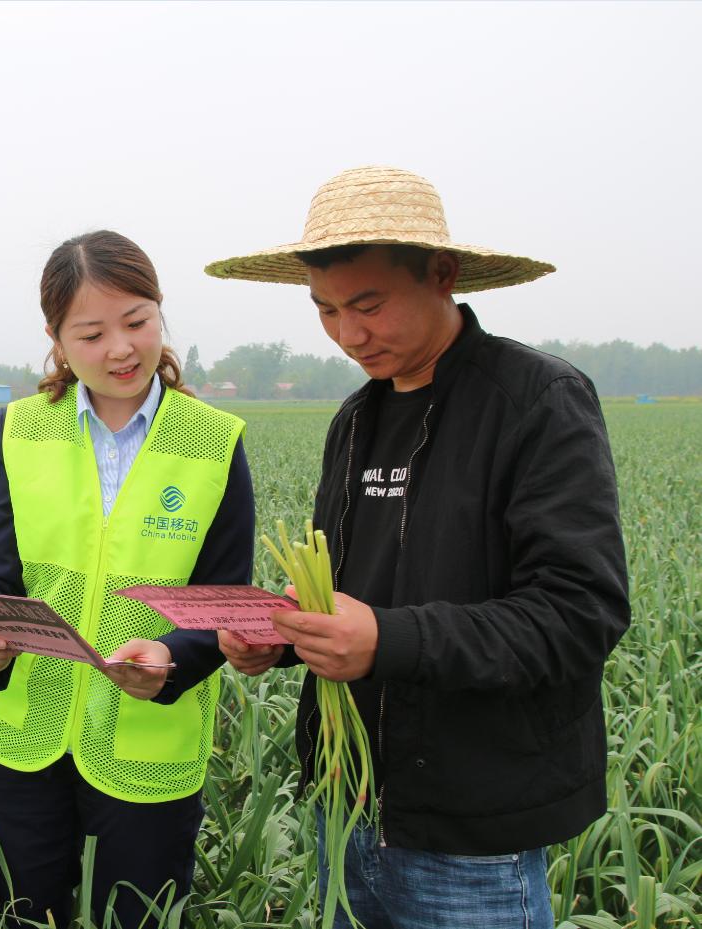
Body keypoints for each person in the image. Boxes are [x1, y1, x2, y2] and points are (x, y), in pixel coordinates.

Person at [205, 166, 630, 928]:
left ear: (442, 273)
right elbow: (354, 599)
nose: (348, 334)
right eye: (326, 310)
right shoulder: (354, 419)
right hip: (348, 807)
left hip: (470, 830)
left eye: (367, 305)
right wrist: (285, 640)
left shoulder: (535, 402)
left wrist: (385, 639)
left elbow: (578, 612)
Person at [0, 231, 256, 927]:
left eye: (137, 322)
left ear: (160, 314)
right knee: (25, 916)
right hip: (23, 741)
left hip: (145, 743)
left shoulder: (214, 442)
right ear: (56, 338)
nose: (120, 348)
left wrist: (174, 657)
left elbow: (221, 600)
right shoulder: (19, 429)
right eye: (90, 333)